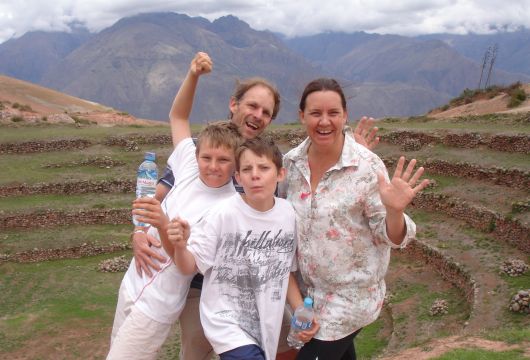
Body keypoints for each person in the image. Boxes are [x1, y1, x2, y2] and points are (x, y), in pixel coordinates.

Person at [130, 54, 380, 359]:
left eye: (266, 112)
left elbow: (298, 205)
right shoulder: (205, 151)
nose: (258, 115)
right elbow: (156, 194)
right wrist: (141, 229)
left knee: (288, 345)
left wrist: (351, 155)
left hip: (258, 285)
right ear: (234, 104)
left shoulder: (264, 161)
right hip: (201, 282)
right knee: (197, 349)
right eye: (252, 106)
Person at [279, 78, 429, 360]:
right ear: (302, 116)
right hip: (309, 294)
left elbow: (391, 236)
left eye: (333, 113)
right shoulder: (291, 163)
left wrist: (395, 210)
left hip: (351, 298)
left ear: (345, 115)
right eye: (315, 113)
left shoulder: (366, 165)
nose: (325, 122)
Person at [107, 53, 242, 359]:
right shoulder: (188, 164)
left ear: (236, 165)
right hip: (133, 280)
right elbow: (178, 117)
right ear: (197, 155)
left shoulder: (229, 206)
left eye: (223, 161)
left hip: (158, 302)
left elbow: (186, 266)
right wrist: (193, 75)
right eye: (207, 158)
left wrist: (162, 223)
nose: (212, 166)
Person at [167, 137, 316, 360]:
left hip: (266, 323)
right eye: (247, 169)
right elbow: (190, 265)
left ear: (280, 174)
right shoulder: (223, 214)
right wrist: (180, 246)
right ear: (238, 177)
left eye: (264, 168)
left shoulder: (287, 214)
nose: (255, 174)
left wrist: (299, 310)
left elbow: (283, 272)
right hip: (226, 322)